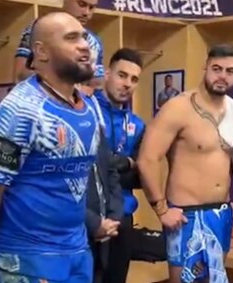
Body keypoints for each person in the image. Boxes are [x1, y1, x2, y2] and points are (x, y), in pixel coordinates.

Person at [0, 12, 101, 282]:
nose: (85, 45)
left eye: (84, 38)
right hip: (25, 257)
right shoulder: (19, 111)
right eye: (71, 38)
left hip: (76, 253)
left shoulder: (89, 107)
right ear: (41, 52)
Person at [138, 44, 233, 283]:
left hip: (220, 214)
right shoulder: (178, 108)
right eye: (216, 68)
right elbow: (148, 158)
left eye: (230, 71)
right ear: (205, 68)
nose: (222, 76)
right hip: (185, 216)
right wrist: (161, 209)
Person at [92, 48, 146, 283]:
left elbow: (140, 177)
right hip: (90, 217)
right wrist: (126, 162)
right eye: (122, 75)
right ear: (107, 74)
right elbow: (89, 165)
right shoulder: (86, 110)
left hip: (123, 217)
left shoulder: (137, 124)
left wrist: (113, 167)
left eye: (134, 79)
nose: (127, 84)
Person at [14, 0, 104, 90]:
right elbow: (20, 75)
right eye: (81, 4)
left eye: (91, 8)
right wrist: (69, 85)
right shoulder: (40, 28)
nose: (86, 13)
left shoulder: (94, 41)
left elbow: (98, 84)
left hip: (75, 101)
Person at [85, 118, 123, 283]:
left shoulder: (94, 125)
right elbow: (56, 189)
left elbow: (110, 171)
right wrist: (94, 223)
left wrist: (114, 216)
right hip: (74, 233)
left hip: (106, 232)